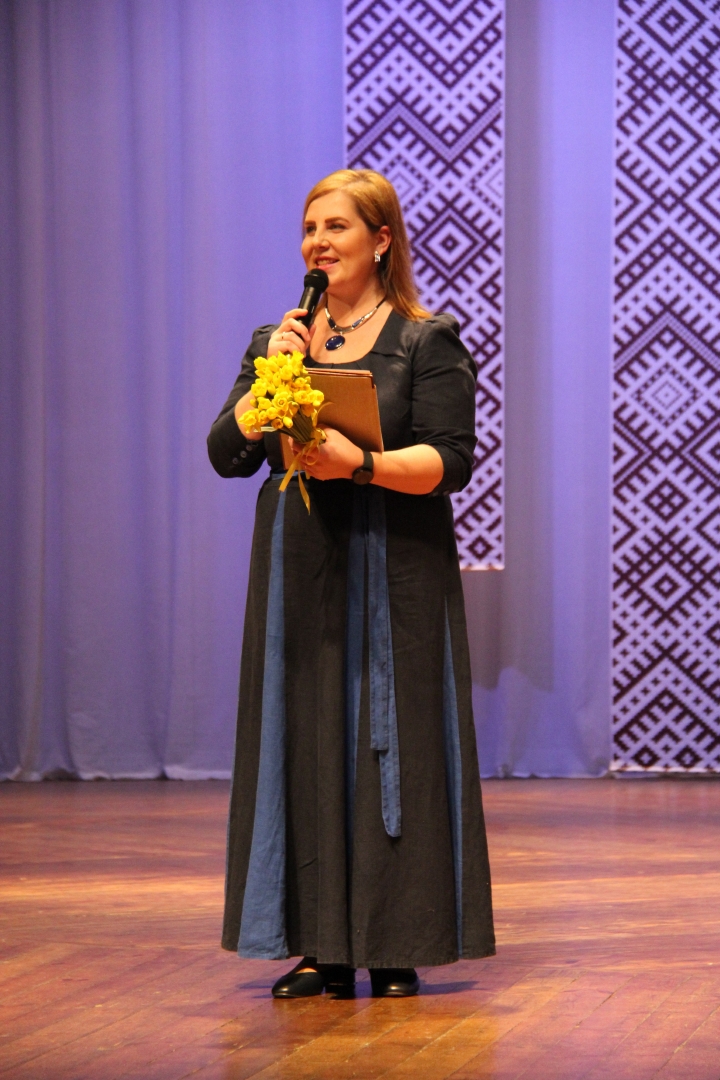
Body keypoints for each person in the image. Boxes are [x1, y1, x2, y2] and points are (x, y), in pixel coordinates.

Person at [207, 168, 495, 999]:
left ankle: (395, 942)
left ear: (381, 240)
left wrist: (361, 464)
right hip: (301, 565)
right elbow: (227, 453)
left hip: (394, 563)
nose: (318, 243)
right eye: (310, 228)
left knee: (393, 741)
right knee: (305, 739)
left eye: (336, 227)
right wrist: (268, 389)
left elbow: (451, 461)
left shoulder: (424, 340)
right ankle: (320, 946)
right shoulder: (276, 340)